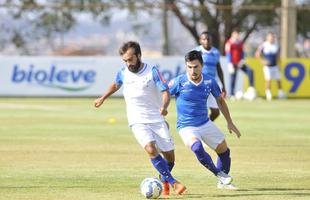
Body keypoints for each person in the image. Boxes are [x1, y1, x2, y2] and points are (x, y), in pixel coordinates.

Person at [94, 41, 186, 196]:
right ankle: (173, 182)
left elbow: (165, 92)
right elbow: (116, 85)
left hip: (157, 118)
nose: (128, 63)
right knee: (150, 148)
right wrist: (103, 97)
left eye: (130, 59)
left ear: (138, 55)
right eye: (125, 60)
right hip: (137, 119)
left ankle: (163, 178)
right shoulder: (123, 72)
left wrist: (164, 107)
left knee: (170, 157)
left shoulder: (152, 71)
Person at [168, 50, 241, 190]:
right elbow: (164, 94)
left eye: (195, 66)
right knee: (197, 147)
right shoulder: (179, 81)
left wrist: (229, 122)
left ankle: (222, 183)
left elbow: (220, 100)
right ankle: (219, 174)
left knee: (224, 151)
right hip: (186, 126)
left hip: (205, 123)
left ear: (202, 66)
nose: (192, 70)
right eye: (189, 67)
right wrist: (160, 110)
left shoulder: (209, 81)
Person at [194, 31, 226, 121]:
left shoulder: (215, 52)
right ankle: (200, 128)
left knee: (216, 112)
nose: (206, 41)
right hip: (199, 84)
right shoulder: (196, 52)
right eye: (204, 39)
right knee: (201, 110)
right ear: (200, 40)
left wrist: (224, 86)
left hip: (211, 84)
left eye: (208, 39)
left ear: (211, 40)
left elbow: (219, 69)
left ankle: (206, 126)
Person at [225, 30, 256, 99]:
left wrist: (242, 60)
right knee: (233, 78)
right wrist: (230, 63)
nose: (237, 36)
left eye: (237, 35)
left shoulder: (240, 43)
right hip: (232, 63)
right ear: (232, 35)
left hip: (239, 63)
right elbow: (228, 53)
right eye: (235, 35)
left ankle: (251, 87)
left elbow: (242, 52)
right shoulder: (229, 43)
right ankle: (232, 94)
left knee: (250, 71)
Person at [255, 32, 286, 100]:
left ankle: (280, 94)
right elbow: (257, 54)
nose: (271, 38)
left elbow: (278, 56)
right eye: (270, 37)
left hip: (275, 66)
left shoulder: (276, 45)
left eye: (272, 37)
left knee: (278, 80)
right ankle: (268, 94)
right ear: (267, 37)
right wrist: (262, 61)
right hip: (267, 67)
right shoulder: (264, 45)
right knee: (268, 80)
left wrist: (279, 64)